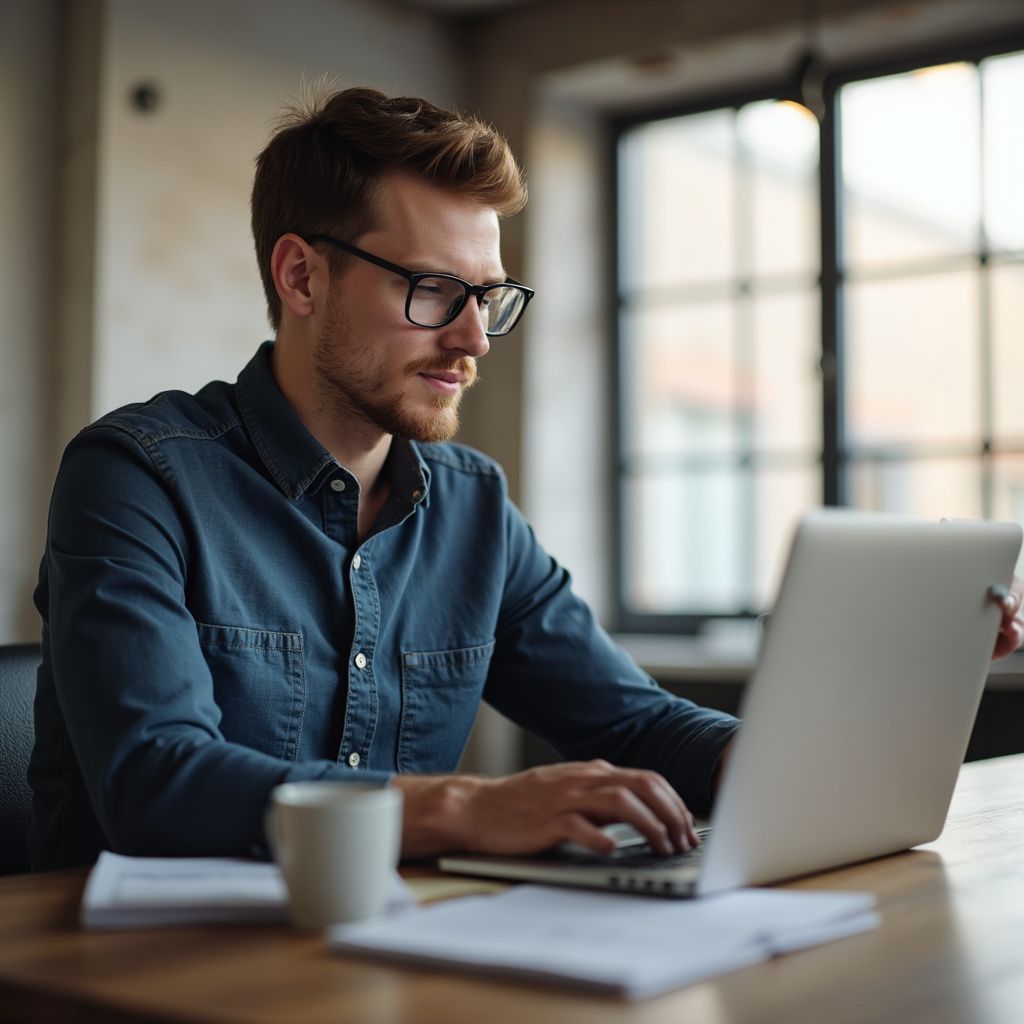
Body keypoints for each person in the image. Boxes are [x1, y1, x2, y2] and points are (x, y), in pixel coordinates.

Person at [28, 88, 1024, 872]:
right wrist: (469, 804)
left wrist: (852, 711)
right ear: (300, 277)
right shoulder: (136, 476)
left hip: (383, 964)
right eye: (433, 291)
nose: (473, 339)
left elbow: (633, 720)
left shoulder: (472, 507)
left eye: (490, 299)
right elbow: (156, 780)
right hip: (139, 977)